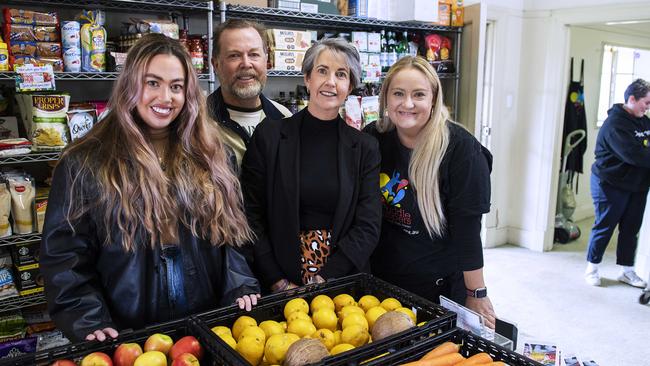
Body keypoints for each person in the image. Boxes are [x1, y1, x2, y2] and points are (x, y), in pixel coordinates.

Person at [40, 34, 260, 342]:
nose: (165, 97)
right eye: (152, 83)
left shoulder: (213, 154)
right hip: (127, 337)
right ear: (130, 84)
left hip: (206, 329)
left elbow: (235, 233)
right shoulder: (85, 162)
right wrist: (88, 320)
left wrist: (240, 284)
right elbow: (64, 258)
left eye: (176, 86)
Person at [364, 56, 496, 328]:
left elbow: (468, 233)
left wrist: (477, 294)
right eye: (398, 93)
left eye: (419, 95)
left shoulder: (462, 152)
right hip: (382, 284)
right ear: (386, 98)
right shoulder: (373, 139)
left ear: (434, 100)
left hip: (439, 288)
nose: (407, 103)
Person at [241, 38, 381, 293]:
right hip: (278, 277)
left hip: (344, 279)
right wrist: (277, 280)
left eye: (341, 74)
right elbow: (251, 215)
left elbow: (368, 225)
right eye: (322, 71)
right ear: (307, 78)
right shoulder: (270, 137)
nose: (331, 82)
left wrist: (325, 279)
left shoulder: (365, 148)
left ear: (350, 86)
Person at [584, 78, 650, 288]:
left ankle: (626, 270)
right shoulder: (615, 124)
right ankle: (592, 267)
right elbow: (635, 155)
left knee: (631, 228)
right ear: (632, 98)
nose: (648, 107)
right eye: (646, 103)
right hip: (610, 183)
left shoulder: (643, 120)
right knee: (605, 225)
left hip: (637, 184)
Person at [207, 19, 292, 167]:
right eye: (234, 55)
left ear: (266, 61)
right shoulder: (196, 120)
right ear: (216, 64)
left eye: (254, 54)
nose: (246, 64)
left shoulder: (285, 118)